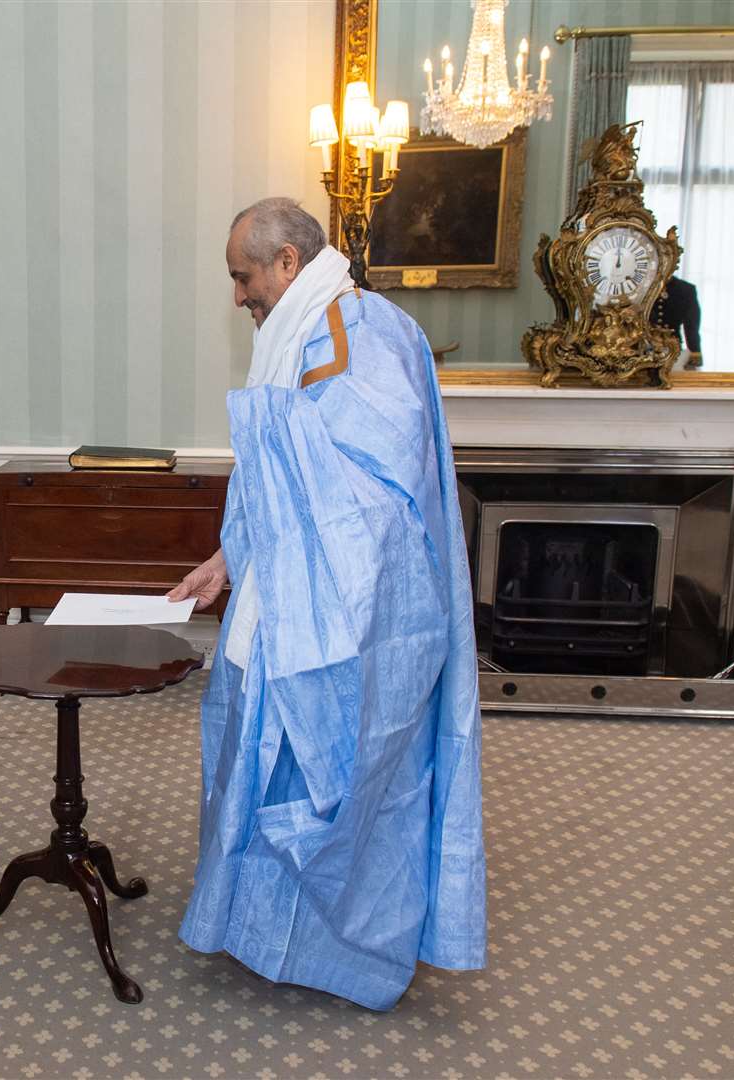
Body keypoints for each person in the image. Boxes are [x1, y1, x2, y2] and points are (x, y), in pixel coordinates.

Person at [167, 197, 485, 1010]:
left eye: (243, 277)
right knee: (257, 758)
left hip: (356, 617)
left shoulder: (365, 339)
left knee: (348, 779)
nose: (238, 296)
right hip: (284, 600)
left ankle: (347, 955)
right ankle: (262, 933)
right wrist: (229, 558)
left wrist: (282, 556)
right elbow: (276, 478)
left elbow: (382, 504)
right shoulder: (297, 337)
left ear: (287, 264)